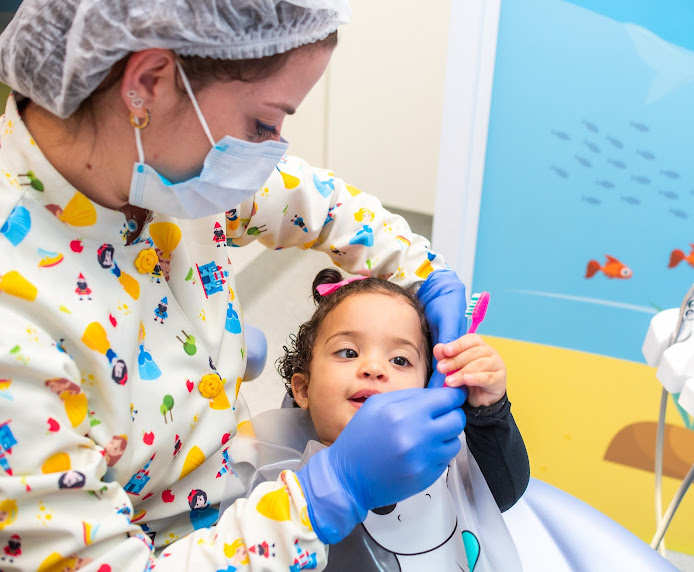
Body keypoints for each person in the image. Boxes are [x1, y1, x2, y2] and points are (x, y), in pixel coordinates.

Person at [0, 1, 472, 569]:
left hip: (232, 490)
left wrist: (423, 268)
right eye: (263, 123)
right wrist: (323, 498)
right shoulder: (16, 324)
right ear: (147, 83)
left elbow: (317, 203)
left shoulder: (157, 164)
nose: (269, 149)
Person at [261, 268, 528, 570]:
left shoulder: (439, 455)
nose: (374, 367)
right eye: (348, 352)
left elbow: (503, 495)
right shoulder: (280, 471)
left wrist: (489, 412)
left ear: (429, 385)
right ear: (304, 388)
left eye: (400, 360)